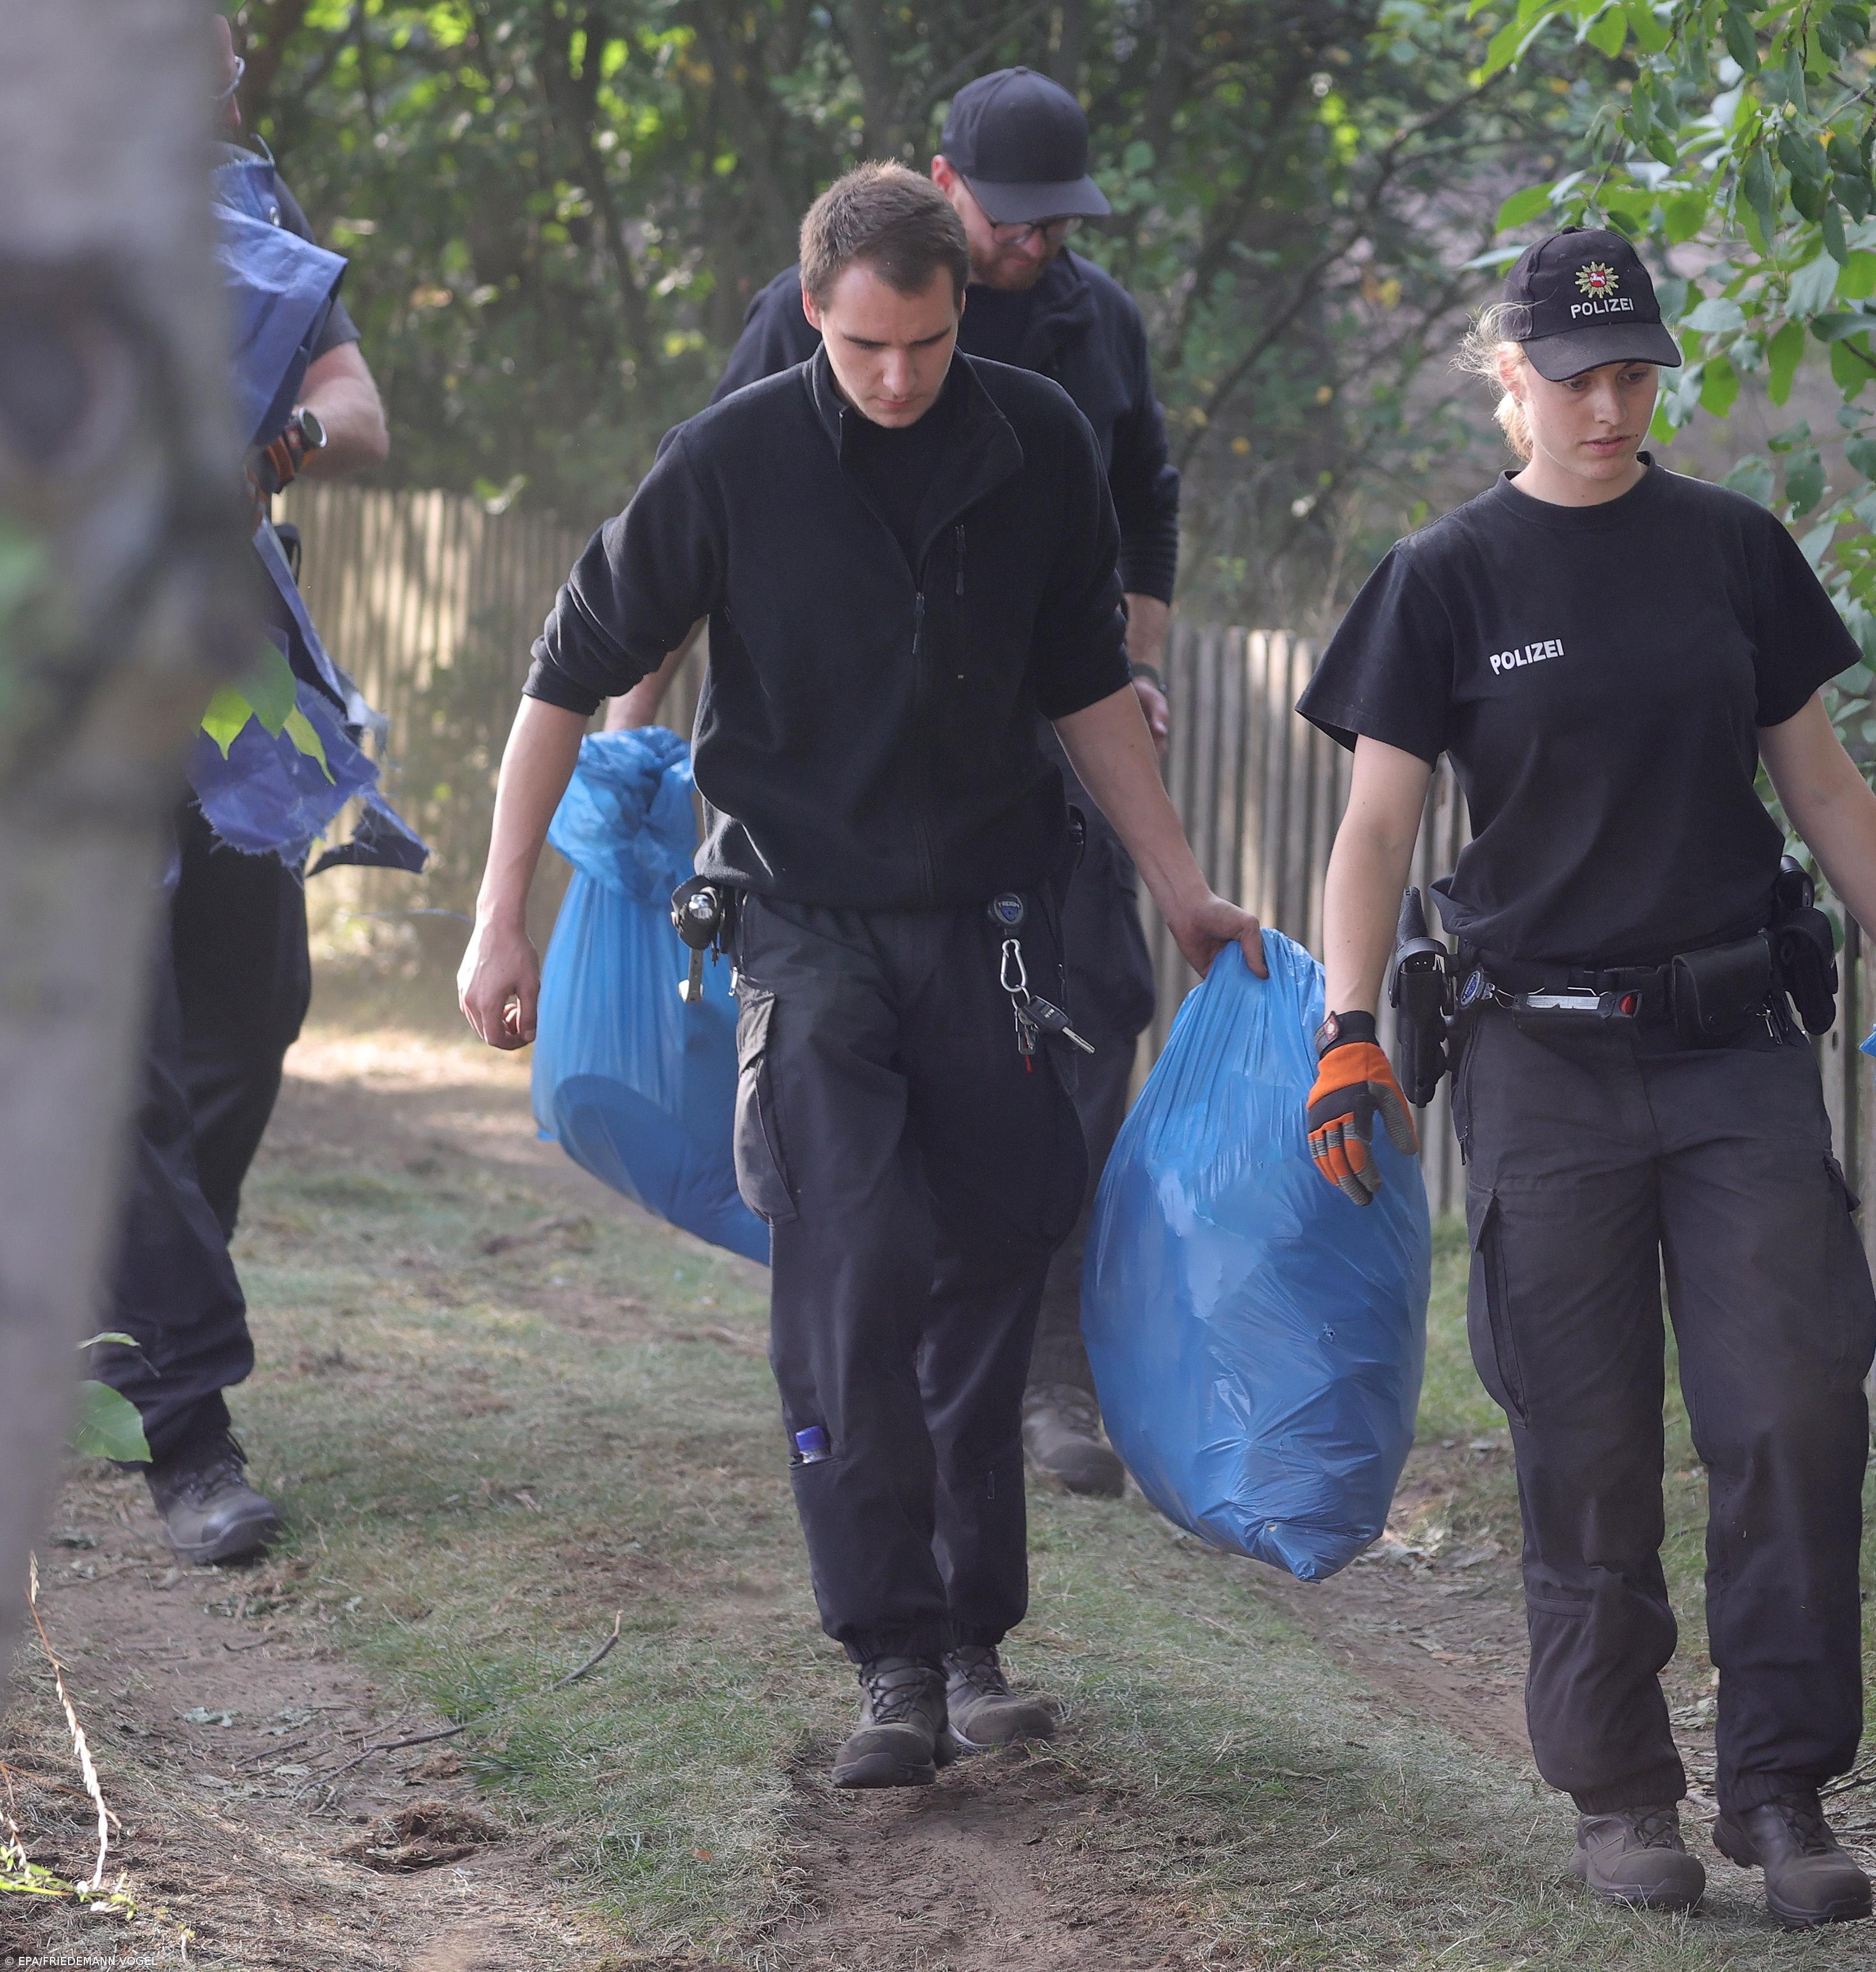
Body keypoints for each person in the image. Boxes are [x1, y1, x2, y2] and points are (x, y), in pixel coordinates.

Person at [456, 163, 1258, 1789]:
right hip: (803, 924)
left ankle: (973, 1636)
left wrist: (1176, 883)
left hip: (996, 917)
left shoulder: (1034, 439)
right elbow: (566, 673)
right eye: (866, 345)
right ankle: (888, 1652)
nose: (898, 378)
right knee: (853, 1264)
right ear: (813, 308)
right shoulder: (730, 460)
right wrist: (499, 915)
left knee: (983, 1263)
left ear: (963, 305)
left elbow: (1084, 678)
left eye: (927, 341)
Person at [1294, 226, 1876, 1928]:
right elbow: (1375, 827)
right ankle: (1619, 1791)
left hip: (1730, 1052)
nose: (1611, 407)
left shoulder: (1728, 552)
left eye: (1634, 376)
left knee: (1790, 1409)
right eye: (1577, 378)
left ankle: (1780, 1785)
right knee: (1588, 1436)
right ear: (1509, 382)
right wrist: (1343, 1026)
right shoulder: (1444, 576)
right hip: (1539, 1059)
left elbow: (1822, 785)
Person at [607, 67, 1178, 1498]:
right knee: (850, 1092)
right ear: (945, 184)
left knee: (1092, 1010)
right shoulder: (822, 308)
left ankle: (1045, 1362)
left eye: (1061, 221)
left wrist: (1133, 664)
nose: (1038, 244)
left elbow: (1145, 504)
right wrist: (640, 741)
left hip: (1037, 736)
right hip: (838, 770)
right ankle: (871, 1346)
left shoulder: (1095, 331)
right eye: (1016, 217)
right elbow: (694, 532)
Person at [99, 11, 401, 1568]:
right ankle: (187, 1429)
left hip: (230, 656)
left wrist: (264, 447)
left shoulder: (249, 215)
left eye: (223, 68)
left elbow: (358, 407)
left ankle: (134, 1293)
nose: (219, 91)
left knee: (258, 993)